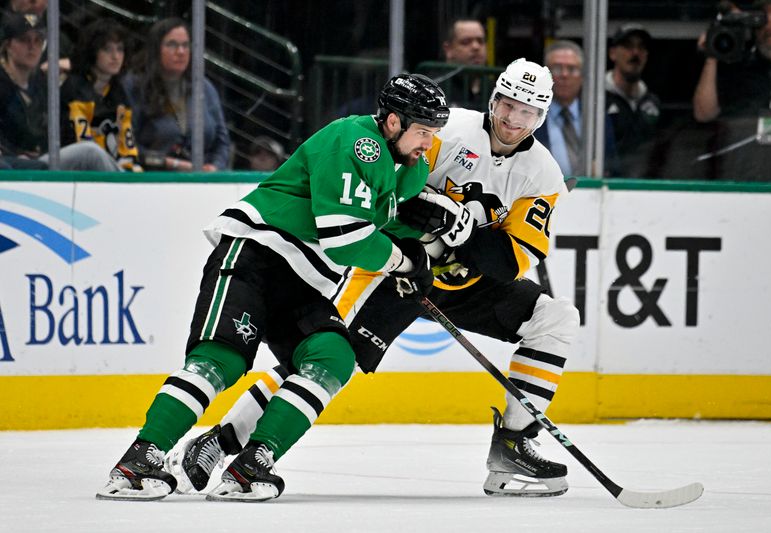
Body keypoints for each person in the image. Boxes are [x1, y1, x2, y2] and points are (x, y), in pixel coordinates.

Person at [174, 59, 580, 500]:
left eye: (526, 112)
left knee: (554, 319)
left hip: (463, 282)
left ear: (541, 117)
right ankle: (221, 440)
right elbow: (392, 193)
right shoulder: (448, 130)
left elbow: (510, 260)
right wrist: (437, 227)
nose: (512, 120)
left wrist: (455, 234)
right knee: (326, 356)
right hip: (397, 269)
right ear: (494, 98)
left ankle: (512, 447)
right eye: (506, 105)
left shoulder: (543, 174)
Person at [95, 73, 450, 501]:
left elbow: (376, 217)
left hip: (306, 282)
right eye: (423, 132)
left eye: (434, 134)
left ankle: (253, 462)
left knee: (333, 358)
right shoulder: (356, 141)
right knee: (220, 358)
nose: (428, 143)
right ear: (393, 122)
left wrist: (423, 241)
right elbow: (344, 234)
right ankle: (139, 460)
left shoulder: (408, 168)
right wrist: (405, 261)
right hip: (258, 254)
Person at [693, 0, 771, 181]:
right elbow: (704, 113)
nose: (769, 25)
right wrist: (712, 54)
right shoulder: (736, 64)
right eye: (762, 18)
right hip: (741, 180)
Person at [0, 11, 119, 171]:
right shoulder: (3, 82)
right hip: (12, 164)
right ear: (7, 45)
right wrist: (13, 154)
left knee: (94, 152)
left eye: (38, 40)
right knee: (90, 153)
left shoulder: (43, 83)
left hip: (42, 160)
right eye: (24, 40)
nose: (32, 46)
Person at [123, 18, 230, 172]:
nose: (180, 52)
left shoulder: (204, 87)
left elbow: (222, 142)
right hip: (151, 180)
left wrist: (214, 167)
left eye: (185, 45)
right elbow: (126, 145)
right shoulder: (134, 86)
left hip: (202, 182)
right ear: (156, 49)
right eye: (172, 44)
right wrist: (171, 163)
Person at [60, 18, 141, 171]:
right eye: (107, 49)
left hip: (108, 172)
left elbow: (127, 149)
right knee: (92, 151)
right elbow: (83, 148)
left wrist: (131, 170)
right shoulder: (75, 88)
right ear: (92, 51)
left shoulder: (118, 91)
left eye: (120, 49)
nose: (115, 56)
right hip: (75, 171)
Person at [536, 40, 617, 177]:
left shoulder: (598, 119)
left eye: (572, 69)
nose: (564, 75)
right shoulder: (527, 119)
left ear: (582, 77)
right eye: (556, 68)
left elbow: (614, 168)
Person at [605, 24, 661, 178]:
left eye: (641, 47)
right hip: (606, 188)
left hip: (646, 188)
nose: (635, 53)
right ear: (612, 53)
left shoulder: (653, 102)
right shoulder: (596, 98)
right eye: (628, 46)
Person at [439, 18, 489, 110]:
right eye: (466, 42)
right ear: (448, 49)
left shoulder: (496, 92)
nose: (476, 47)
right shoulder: (434, 91)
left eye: (480, 41)